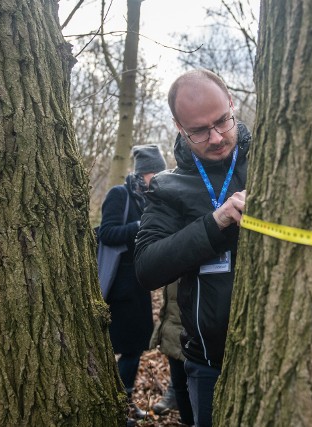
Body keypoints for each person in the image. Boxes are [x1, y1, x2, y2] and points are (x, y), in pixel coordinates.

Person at [134, 69, 250, 427]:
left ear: (231, 104)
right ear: (179, 126)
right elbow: (146, 267)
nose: (216, 137)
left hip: (277, 345)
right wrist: (216, 222)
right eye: (199, 130)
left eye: (222, 122)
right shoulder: (169, 188)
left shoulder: (275, 161)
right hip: (209, 363)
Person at [98, 144, 167, 424]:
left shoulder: (152, 198)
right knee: (119, 346)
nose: (160, 180)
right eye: (156, 175)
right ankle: (116, 404)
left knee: (135, 347)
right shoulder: (120, 195)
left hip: (140, 284)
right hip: (118, 284)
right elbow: (107, 233)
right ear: (143, 174)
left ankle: (123, 400)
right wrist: (141, 225)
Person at [149, 281, 194, 425]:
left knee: (196, 386)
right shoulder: (174, 264)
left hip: (199, 335)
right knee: (180, 385)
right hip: (174, 333)